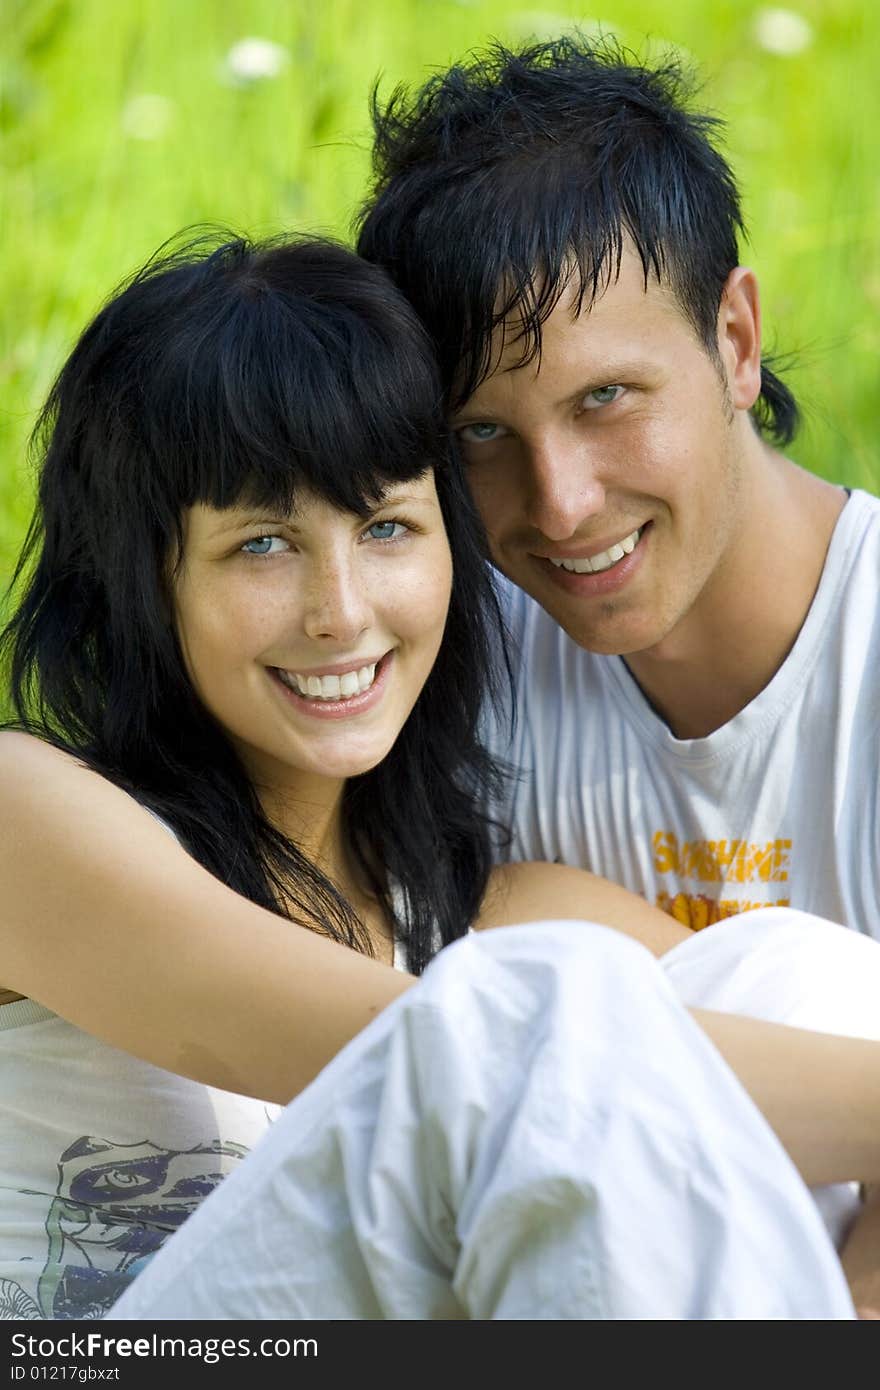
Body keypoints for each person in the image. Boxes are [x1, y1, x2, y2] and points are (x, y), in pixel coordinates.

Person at [0, 232, 877, 1324]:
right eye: (262, 544)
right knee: (536, 1016)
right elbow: (482, 1058)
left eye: (386, 527)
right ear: (143, 579)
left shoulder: (499, 921)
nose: (343, 610)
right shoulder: (25, 815)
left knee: (804, 975)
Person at [355, 34, 880, 942]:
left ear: (736, 339)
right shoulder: (435, 667)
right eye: (481, 433)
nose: (561, 504)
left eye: (605, 398)